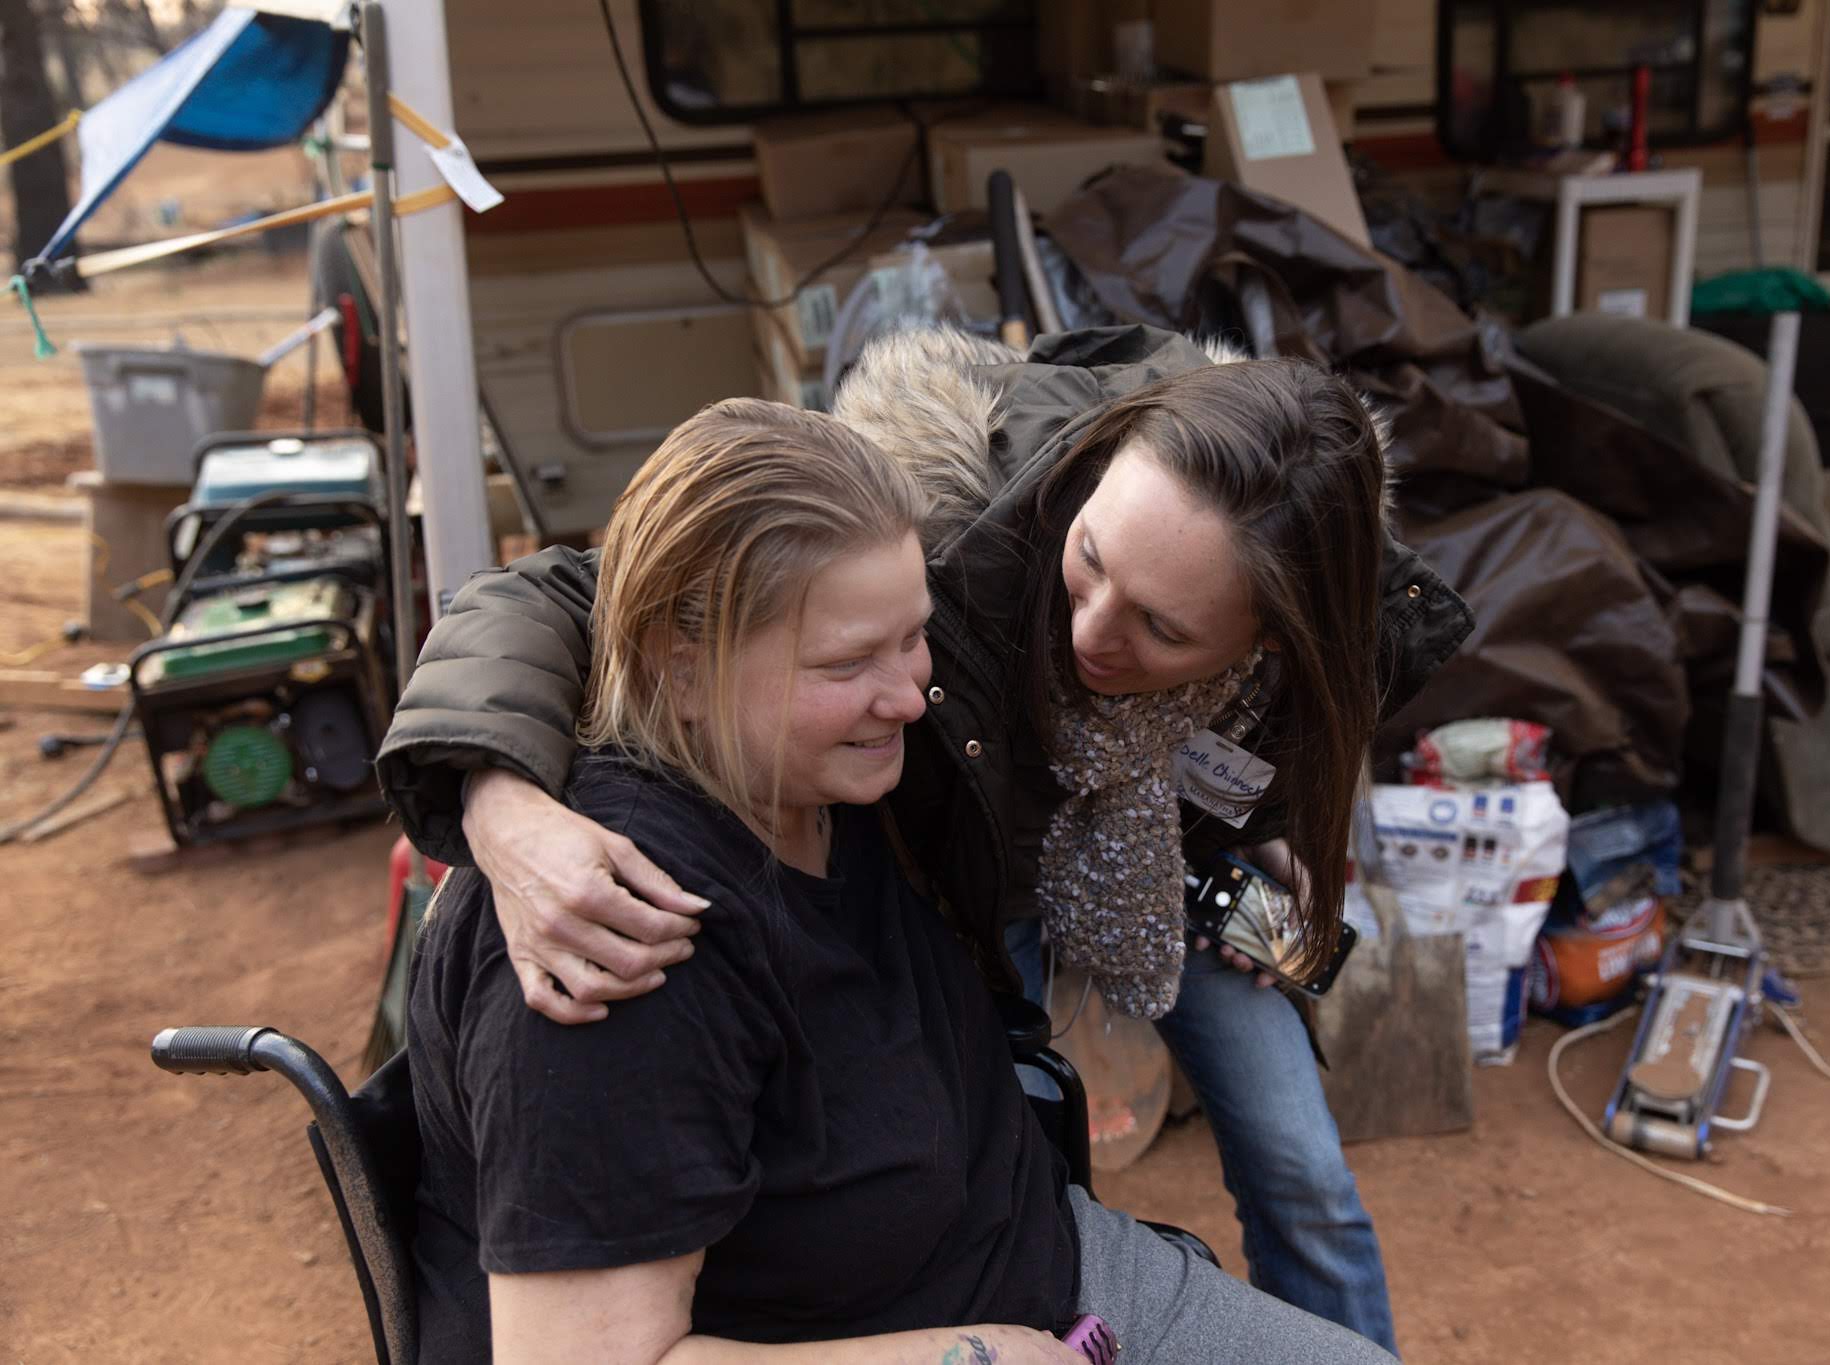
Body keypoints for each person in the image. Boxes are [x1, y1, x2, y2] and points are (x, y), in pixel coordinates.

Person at [380, 326, 1472, 1358]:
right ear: (1089, 478)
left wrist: (1257, 844)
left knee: (1296, 1165)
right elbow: (591, 592)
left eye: (1166, 629)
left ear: (1276, 637)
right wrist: (496, 799)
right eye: (1089, 561)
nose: (1091, 631)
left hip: (1125, 931)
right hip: (984, 935)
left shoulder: (1331, 642)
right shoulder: (951, 548)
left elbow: (1246, 768)